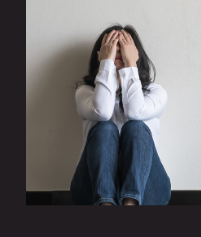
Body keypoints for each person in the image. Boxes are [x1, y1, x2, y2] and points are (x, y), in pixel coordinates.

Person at [70, 25, 170, 205]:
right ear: (101, 55)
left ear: (135, 53)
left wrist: (130, 66)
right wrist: (107, 65)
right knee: (104, 128)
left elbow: (135, 112)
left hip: (148, 191)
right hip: (91, 190)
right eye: (111, 47)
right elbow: (102, 112)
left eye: (123, 47)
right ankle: (106, 204)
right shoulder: (85, 93)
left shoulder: (155, 93)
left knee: (136, 127)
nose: (117, 51)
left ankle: (130, 203)